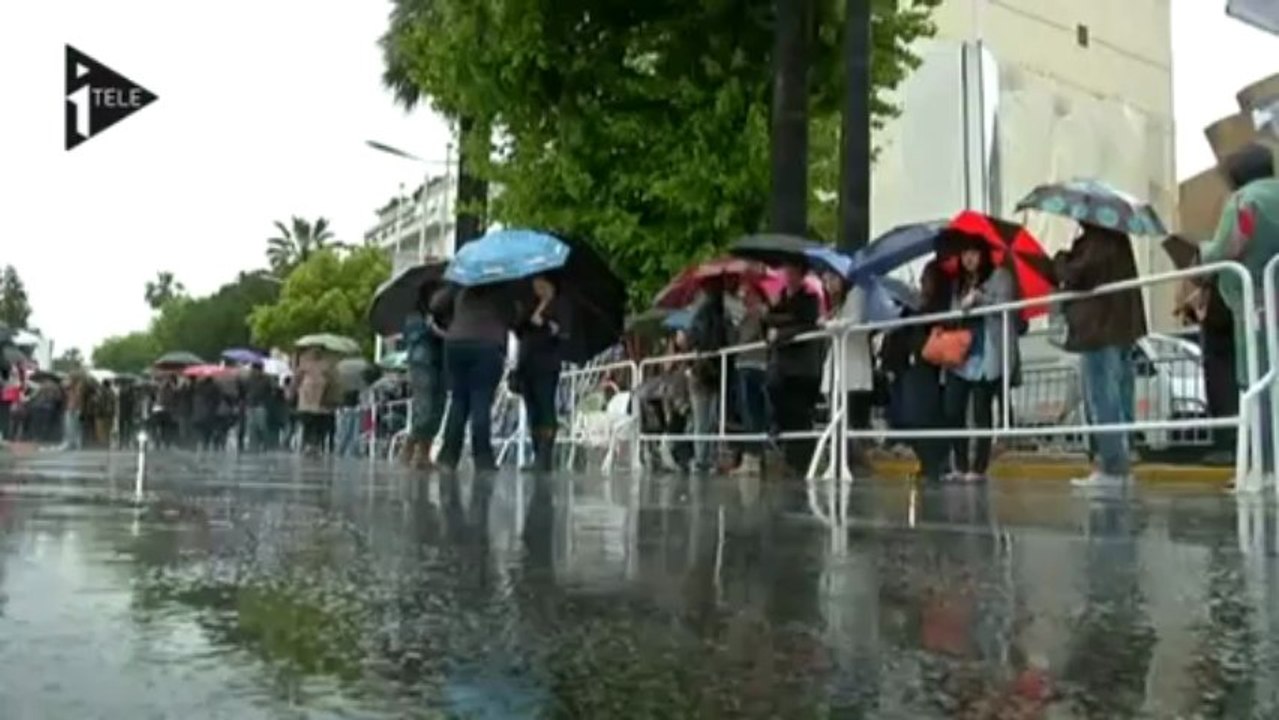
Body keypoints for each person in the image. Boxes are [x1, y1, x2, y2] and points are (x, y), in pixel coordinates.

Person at [1201, 142, 1278, 474]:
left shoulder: (1244, 201)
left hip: (1254, 301)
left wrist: (1203, 251)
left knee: (1256, 379)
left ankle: (1264, 463)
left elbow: (1229, 247)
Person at [1054, 222, 1147, 488]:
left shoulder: (1096, 242)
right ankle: (1123, 459)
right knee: (1120, 395)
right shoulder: (1118, 239)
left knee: (1102, 399)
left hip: (1099, 329)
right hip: (1123, 327)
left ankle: (1113, 467)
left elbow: (1076, 274)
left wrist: (1061, 259)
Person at [942, 236, 1018, 482]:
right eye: (964, 253)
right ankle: (960, 464)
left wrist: (979, 298)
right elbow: (952, 313)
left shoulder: (1000, 276)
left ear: (983, 255)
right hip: (961, 354)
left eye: (974, 253)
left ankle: (978, 468)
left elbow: (1005, 306)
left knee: (981, 410)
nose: (969, 258)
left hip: (988, 351)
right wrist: (960, 308)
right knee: (952, 409)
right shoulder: (958, 283)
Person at [433, 283, 518, 473]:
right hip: (487, 345)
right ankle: (483, 459)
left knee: (458, 401)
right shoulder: (501, 286)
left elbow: (436, 304)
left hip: (456, 343)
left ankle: (448, 458)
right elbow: (513, 317)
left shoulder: (461, 282)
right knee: (481, 400)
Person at [882, 260, 950, 483]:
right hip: (910, 364)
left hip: (928, 366)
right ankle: (928, 462)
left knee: (925, 416)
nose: (922, 284)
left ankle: (935, 463)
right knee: (912, 416)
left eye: (926, 279)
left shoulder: (938, 308)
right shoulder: (913, 308)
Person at [764, 260, 822, 473]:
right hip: (783, 368)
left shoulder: (809, 299)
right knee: (784, 409)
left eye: (793, 271)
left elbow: (807, 324)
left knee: (800, 415)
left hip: (802, 369)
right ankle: (792, 459)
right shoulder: (780, 300)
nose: (788, 275)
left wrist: (781, 331)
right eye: (786, 271)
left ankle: (803, 462)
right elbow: (768, 319)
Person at [820, 271, 875, 476]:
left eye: (832, 279)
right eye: (825, 281)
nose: (828, 285)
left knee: (848, 417)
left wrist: (828, 324)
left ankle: (853, 461)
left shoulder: (857, 293)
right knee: (837, 415)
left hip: (852, 364)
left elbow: (853, 322)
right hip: (838, 363)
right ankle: (841, 460)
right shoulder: (838, 302)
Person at [514, 274, 569, 472]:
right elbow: (518, 327)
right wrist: (532, 315)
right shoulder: (529, 304)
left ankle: (545, 457)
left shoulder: (560, 305)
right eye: (535, 284)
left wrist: (546, 324)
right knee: (532, 410)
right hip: (527, 363)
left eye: (541, 284)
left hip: (547, 363)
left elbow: (563, 332)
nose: (537, 287)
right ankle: (537, 453)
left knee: (545, 407)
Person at [400, 283, 450, 469]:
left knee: (438, 408)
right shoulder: (415, 318)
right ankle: (410, 443)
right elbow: (414, 339)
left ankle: (424, 454)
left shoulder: (444, 317)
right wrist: (431, 328)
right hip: (422, 365)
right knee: (425, 408)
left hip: (440, 364)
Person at [687, 277, 731, 473]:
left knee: (703, 418)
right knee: (708, 418)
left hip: (704, 370)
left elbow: (694, 339)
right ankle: (705, 457)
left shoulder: (700, 315)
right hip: (712, 370)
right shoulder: (715, 314)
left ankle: (702, 458)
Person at [731, 283, 770, 476]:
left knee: (752, 412)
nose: (743, 297)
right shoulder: (746, 316)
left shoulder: (759, 314)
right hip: (745, 364)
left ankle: (753, 457)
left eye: (747, 293)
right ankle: (752, 456)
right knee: (747, 411)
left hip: (753, 364)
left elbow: (748, 338)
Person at [242, 362, 274, 451]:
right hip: (250, 405)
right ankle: (253, 445)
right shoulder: (248, 379)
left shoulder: (266, 379)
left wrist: (267, 403)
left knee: (261, 426)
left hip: (261, 405)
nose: (253, 372)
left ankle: (265, 443)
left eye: (255, 370)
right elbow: (244, 390)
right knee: (251, 426)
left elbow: (270, 392)